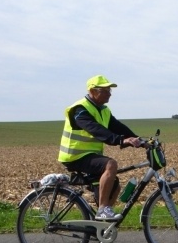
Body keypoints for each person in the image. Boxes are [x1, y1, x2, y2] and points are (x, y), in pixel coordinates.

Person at [58, 75, 143, 221]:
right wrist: (120, 140)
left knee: (114, 184)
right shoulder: (80, 109)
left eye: (109, 90)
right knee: (111, 164)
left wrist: (140, 140)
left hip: (89, 155)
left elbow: (118, 127)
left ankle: (103, 224)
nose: (109, 93)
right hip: (75, 156)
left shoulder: (103, 110)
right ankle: (103, 210)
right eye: (105, 90)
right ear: (92, 91)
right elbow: (96, 129)